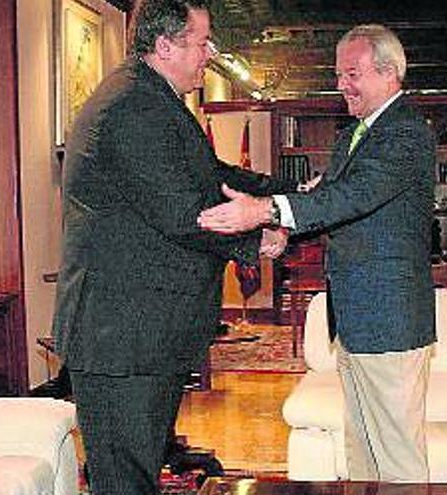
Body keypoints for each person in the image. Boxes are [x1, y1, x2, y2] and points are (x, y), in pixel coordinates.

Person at [50, 1, 294, 493]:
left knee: (135, 470)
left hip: (139, 334)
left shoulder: (152, 99)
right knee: (125, 480)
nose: (209, 54)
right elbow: (182, 211)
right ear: (165, 46)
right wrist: (259, 234)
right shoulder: (133, 107)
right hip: (122, 335)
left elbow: (210, 175)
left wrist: (282, 194)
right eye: (202, 43)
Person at [198, 24, 437, 482]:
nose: (341, 85)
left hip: (390, 320)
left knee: (398, 458)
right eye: (338, 74)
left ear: (388, 72)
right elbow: (333, 205)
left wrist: (264, 211)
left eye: (352, 73)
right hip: (355, 320)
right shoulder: (355, 134)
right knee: (362, 452)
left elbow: (353, 197)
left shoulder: (405, 132)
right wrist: (286, 235)